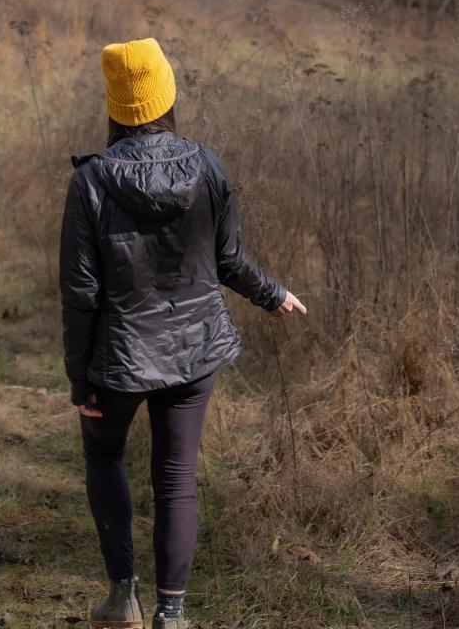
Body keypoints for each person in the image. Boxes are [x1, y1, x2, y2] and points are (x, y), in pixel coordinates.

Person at [60, 38, 306, 629]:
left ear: (115, 107)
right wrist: (272, 293)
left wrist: (80, 380)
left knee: (105, 456)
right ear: (167, 96)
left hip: (117, 357)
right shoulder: (206, 165)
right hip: (195, 351)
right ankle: (172, 616)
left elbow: (81, 293)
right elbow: (228, 260)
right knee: (176, 479)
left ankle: (123, 599)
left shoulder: (90, 183)